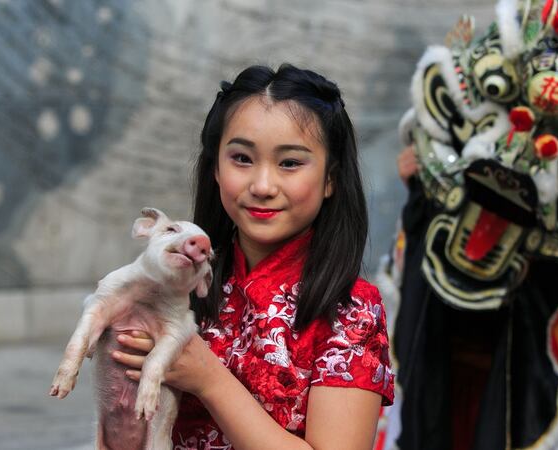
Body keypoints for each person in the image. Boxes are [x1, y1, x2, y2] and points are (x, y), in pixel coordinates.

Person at [110, 64, 394, 449]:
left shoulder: (350, 309)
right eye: (242, 158)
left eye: (290, 163)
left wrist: (208, 378)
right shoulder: (179, 288)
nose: (262, 186)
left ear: (330, 178)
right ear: (215, 167)